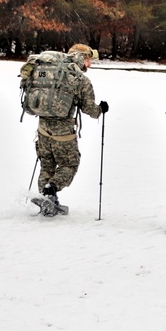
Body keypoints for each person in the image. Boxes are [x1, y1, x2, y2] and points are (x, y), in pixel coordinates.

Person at [20, 43, 108, 216]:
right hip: (64, 132)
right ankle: (51, 190)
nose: (89, 65)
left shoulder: (46, 70)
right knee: (69, 163)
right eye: (89, 60)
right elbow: (89, 109)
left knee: (47, 164)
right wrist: (101, 109)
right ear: (82, 58)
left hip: (43, 128)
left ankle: (48, 200)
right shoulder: (80, 79)